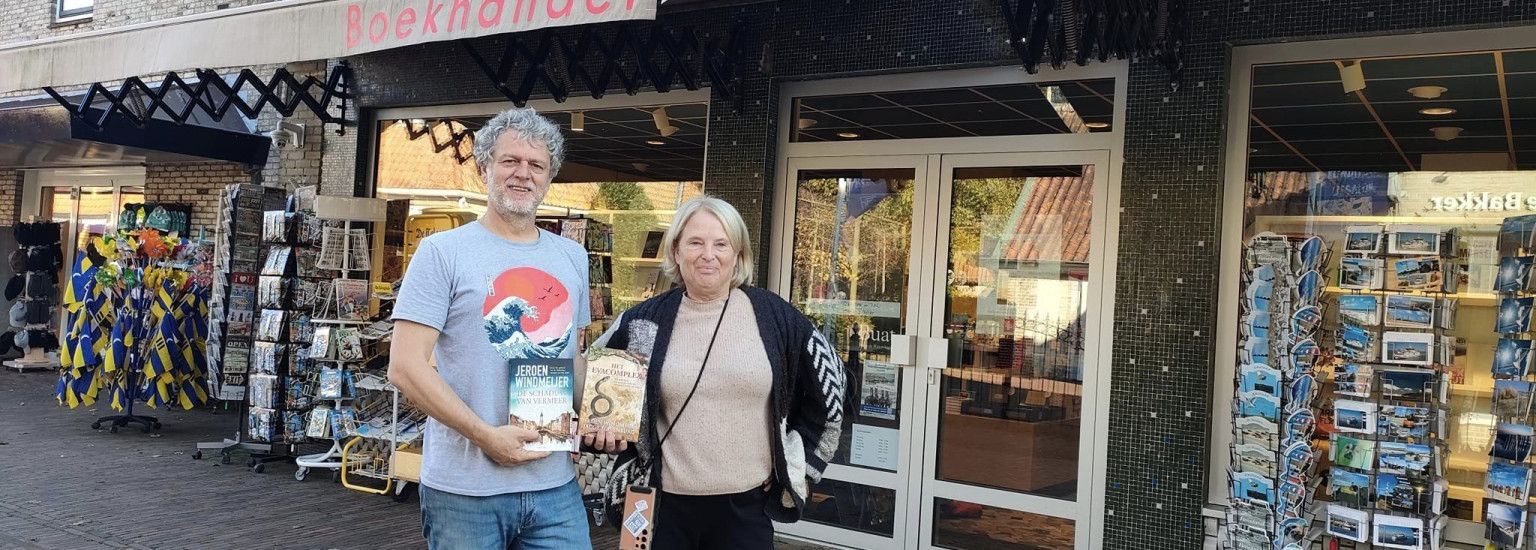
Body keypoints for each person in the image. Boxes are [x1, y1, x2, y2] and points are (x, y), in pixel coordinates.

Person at [387, 107, 626, 550]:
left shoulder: (571, 257)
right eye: (510, 161)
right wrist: (486, 437)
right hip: (465, 489)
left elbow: (570, 358)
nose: (523, 174)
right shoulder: (442, 252)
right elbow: (404, 368)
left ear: (549, 176)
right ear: (484, 169)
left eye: (536, 165)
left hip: (553, 484)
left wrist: (600, 416)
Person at [592, 196, 847, 549]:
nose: (707, 254)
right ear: (677, 251)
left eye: (721, 244)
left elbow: (832, 390)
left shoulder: (775, 318)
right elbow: (594, 384)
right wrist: (602, 429)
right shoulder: (641, 322)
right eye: (695, 242)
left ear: (738, 254)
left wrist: (798, 467)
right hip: (660, 507)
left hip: (743, 510)